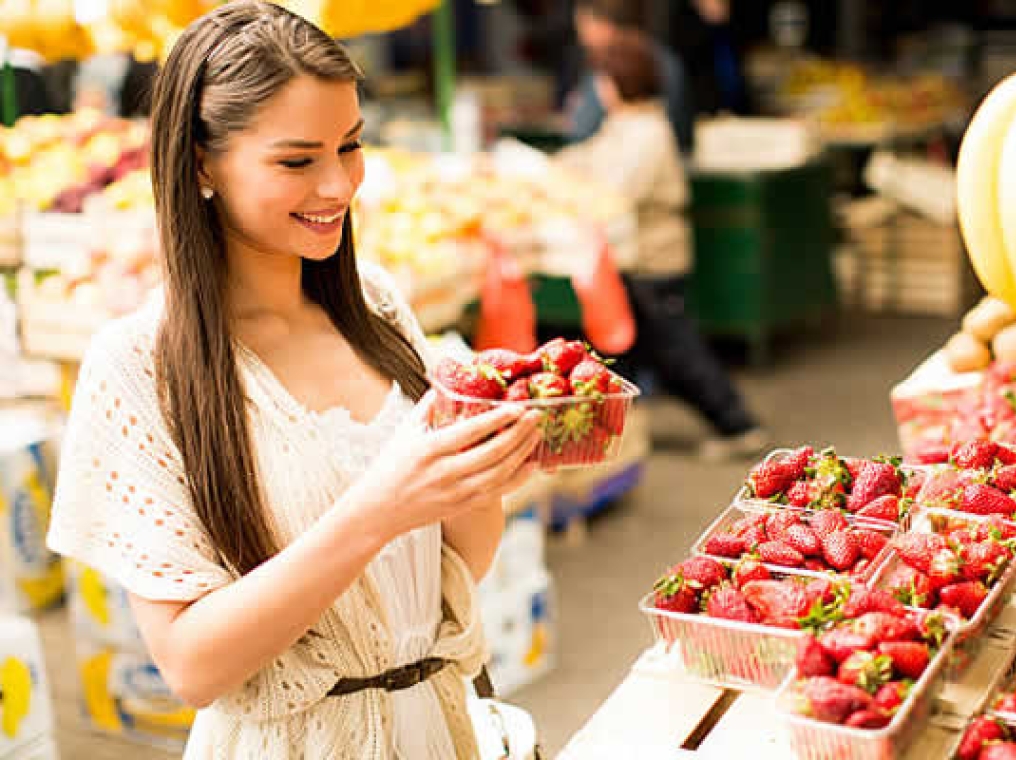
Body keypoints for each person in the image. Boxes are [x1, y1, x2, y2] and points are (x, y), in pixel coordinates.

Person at [46, 3, 541, 757]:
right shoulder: (139, 368)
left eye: (350, 146)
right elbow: (190, 666)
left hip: (440, 728)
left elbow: (455, 570)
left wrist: (485, 463)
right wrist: (380, 509)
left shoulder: (373, 303)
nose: (339, 185)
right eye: (297, 160)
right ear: (202, 164)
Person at [557, 32, 769, 461]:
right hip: (634, 261)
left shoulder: (647, 133)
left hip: (655, 263)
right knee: (625, 353)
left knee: (677, 352)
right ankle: (614, 438)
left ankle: (739, 425)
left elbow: (616, 190)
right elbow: (589, 158)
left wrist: (568, 190)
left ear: (618, 82)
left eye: (602, 78)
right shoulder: (624, 127)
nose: (599, 88)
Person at [568, 0, 694, 153]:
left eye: (583, 27)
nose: (582, 39)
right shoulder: (664, 59)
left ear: (603, 24)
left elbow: (582, 131)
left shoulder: (611, 65)